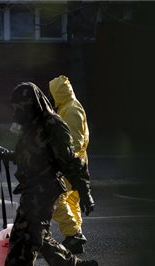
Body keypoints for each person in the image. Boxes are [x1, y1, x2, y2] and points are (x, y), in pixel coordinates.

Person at [0, 82, 98, 266]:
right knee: (40, 240)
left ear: (34, 104)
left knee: (22, 238)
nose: (18, 111)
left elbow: (72, 163)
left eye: (22, 106)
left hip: (45, 190)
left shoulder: (53, 125)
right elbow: (28, 156)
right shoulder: (30, 125)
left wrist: (85, 193)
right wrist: (8, 156)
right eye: (16, 106)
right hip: (32, 188)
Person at [49, 75, 90, 254]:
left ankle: (73, 234)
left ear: (59, 93)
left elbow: (72, 142)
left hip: (68, 163)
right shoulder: (67, 107)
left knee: (55, 198)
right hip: (75, 163)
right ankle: (75, 235)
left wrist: (58, 158)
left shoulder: (71, 110)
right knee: (71, 200)